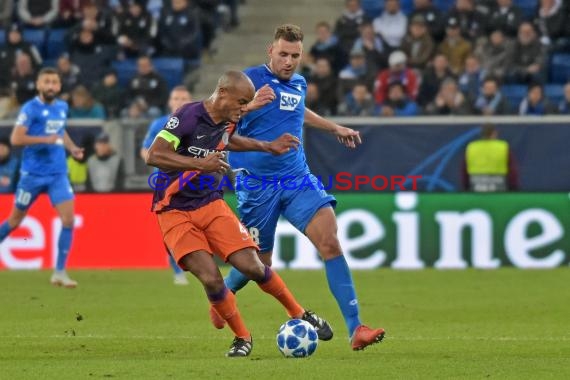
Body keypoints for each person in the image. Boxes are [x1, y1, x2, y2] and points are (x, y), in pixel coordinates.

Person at [145, 70, 332, 357]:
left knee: (253, 266)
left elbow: (228, 140)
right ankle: (242, 337)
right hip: (173, 210)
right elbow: (153, 155)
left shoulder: (227, 119)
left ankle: (301, 313)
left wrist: (266, 146)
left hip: (211, 204)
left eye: (248, 102)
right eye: (241, 102)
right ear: (223, 93)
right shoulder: (188, 116)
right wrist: (198, 164)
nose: (244, 108)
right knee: (211, 278)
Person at [223, 24, 385, 351]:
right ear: (270, 51)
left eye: (295, 56)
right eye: (283, 54)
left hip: (297, 178)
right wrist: (251, 112)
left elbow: (298, 109)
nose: (289, 61)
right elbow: (221, 131)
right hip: (256, 185)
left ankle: (357, 329)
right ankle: (222, 294)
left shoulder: (298, 82)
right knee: (259, 266)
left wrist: (333, 127)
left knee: (330, 241)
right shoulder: (248, 82)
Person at [0, 67, 84, 287]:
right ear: (38, 84)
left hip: (57, 174)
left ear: (59, 85)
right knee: (15, 221)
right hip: (32, 176)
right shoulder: (30, 108)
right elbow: (17, 138)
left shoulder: (63, 107)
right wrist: (44, 140)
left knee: (68, 219)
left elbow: (60, 130)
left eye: (54, 82)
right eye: (46, 82)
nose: (50, 86)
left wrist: (72, 148)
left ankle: (59, 272)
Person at [140, 85, 193, 285]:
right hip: (165, 183)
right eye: (176, 98)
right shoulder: (159, 124)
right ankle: (177, 271)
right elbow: (145, 151)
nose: (180, 102)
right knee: (172, 229)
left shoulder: (198, 123)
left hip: (193, 182)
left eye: (184, 98)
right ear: (170, 102)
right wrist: (163, 163)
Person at [462, 123, 519, 192]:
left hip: (476, 187)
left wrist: (466, 188)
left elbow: (464, 171)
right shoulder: (503, 147)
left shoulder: (471, 147)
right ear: (494, 133)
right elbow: (512, 171)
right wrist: (513, 188)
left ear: (481, 134)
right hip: (499, 187)